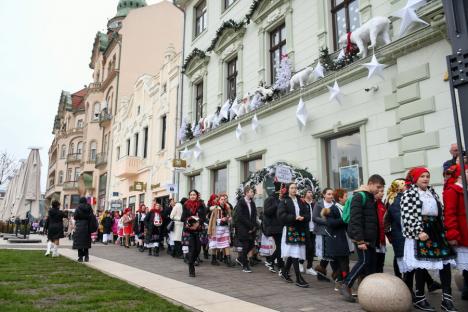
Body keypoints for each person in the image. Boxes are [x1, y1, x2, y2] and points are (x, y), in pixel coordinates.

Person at [401, 167, 457, 311]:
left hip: (436, 230)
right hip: (422, 230)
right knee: (421, 265)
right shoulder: (409, 194)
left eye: (427, 176)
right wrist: (418, 231)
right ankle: (419, 298)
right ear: (415, 179)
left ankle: (447, 300)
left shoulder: (432, 192)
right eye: (422, 176)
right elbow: (407, 215)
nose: (425, 179)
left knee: (445, 263)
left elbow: (440, 211)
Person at [339, 174, 385, 302]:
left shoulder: (371, 198)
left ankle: (369, 292)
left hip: (370, 239)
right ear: (370, 184)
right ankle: (346, 284)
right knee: (364, 261)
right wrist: (360, 241)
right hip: (361, 239)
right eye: (378, 187)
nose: (379, 190)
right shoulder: (359, 196)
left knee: (371, 265)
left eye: (381, 188)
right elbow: (355, 220)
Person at [278, 182, 311, 288]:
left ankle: (285, 272)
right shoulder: (284, 201)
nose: (294, 190)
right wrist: (293, 217)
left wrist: (303, 217)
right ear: (288, 189)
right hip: (290, 229)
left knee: (294, 253)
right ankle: (298, 278)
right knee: (295, 253)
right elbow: (281, 215)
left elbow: (307, 214)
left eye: (295, 188)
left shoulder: (300, 200)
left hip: (300, 228)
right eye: (292, 188)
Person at [443, 164, 468, 301]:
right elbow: (450, 213)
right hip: (462, 233)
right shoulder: (452, 190)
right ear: (460, 175)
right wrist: (452, 233)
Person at [322, 188, 351, 291]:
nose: (347, 198)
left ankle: (341, 281)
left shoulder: (345, 208)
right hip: (338, 239)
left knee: (345, 262)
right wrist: (343, 220)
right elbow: (330, 223)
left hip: (345, 238)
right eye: (346, 196)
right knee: (343, 263)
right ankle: (342, 283)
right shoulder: (334, 209)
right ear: (340, 198)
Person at [182, 190, 207, 277]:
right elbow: (183, 217)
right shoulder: (185, 205)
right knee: (192, 249)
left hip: (198, 229)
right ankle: (191, 268)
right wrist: (189, 222)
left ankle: (190, 259)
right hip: (189, 230)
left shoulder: (201, 205)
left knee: (198, 249)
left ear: (197, 196)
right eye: (191, 195)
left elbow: (203, 217)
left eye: (194, 194)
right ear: (189, 196)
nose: (192, 196)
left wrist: (198, 223)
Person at [312, 188, 335, 281]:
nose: (331, 196)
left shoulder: (335, 205)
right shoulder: (319, 204)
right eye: (329, 194)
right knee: (328, 254)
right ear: (324, 195)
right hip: (322, 232)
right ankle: (338, 276)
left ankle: (321, 273)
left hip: (333, 232)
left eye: (332, 194)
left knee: (330, 254)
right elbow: (314, 218)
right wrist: (326, 221)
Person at [234, 186, 258, 273]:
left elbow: (254, 215)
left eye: (253, 192)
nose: (253, 193)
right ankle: (245, 265)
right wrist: (249, 226)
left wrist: (253, 226)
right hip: (243, 228)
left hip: (251, 228)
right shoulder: (241, 202)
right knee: (245, 246)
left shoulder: (252, 203)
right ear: (246, 192)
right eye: (251, 192)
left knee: (251, 245)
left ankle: (240, 258)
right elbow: (240, 216)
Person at [263, 182, 285, 274]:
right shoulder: (270, 199)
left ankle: (271, 261)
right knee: (280, 247)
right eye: (283, 188)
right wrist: (277, 203)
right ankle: (281, 266)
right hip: (274, 226)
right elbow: (267, 212)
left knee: (281, 247)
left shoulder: (283, 198)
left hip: (282, 225)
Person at [208, 194, 235, 267]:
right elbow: (213, 219)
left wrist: (229, 219)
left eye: (224, 199)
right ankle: (213, 259)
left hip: (225, 228)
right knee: (215, 244)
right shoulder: (216, 208)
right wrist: (220, 220)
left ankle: (228, 260)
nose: (223, 201)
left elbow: (230, 216)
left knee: (226, 244)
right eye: (222, 199)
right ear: (219, 200)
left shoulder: (227, 207)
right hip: (217, 228)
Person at [73, 197, 94, 262]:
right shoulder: (89, 207)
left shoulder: (78, 207)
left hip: (79, 225)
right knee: (86, 241)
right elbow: (92, 215)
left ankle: (80, 257)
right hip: (87, 225)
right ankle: (86, 257)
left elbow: (75, 217)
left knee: (79, 242)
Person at [303, 189, 318, 276]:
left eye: (311, 192)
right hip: (305, 229)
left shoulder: (314, 203)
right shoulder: (302, 203)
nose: (310, 193)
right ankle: (301, 263)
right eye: (308, 192)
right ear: (305, 194)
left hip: (313, 229)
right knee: (304, 247)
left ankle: (309, 267)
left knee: (311, 248)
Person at [375, 188, 387, 273]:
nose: (383, 193)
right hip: (375, 238)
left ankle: (380, 280)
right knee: (374, 262)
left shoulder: (382, 204)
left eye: (383, 191)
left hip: (382, 238)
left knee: (381, 262)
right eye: (381, 191)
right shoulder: (373, 204)